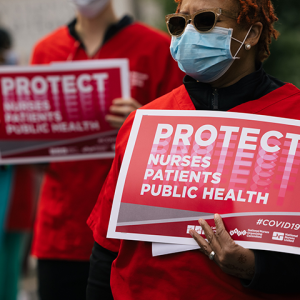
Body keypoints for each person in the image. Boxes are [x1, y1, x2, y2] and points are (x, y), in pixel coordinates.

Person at [87, 0, 300, 299]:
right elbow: (107, 251)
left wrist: (256, 269)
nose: (188, 34)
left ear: (251, 33)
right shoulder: (144, 122)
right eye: (179, 23)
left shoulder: (293, 118)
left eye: (205, 21)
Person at [30, 0, 184, 299]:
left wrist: (142, 122)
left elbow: (183, 145)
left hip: (127, 235)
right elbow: (35, 155)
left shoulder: (157, 48)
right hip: (59, 232)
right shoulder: (45, 50)